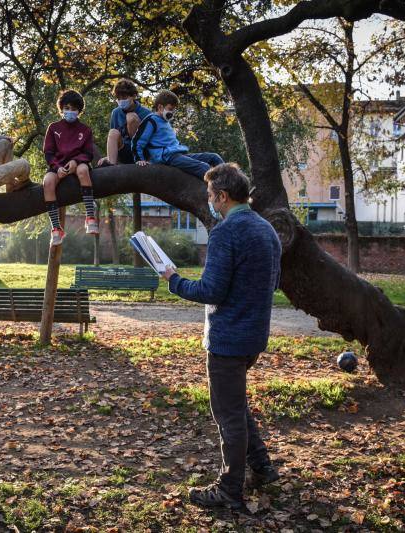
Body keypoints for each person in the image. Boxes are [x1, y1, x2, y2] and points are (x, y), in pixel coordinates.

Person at [162, 164, 282, 510]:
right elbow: (273, 282)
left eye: (211, 195)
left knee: (227, 414)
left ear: (223, 197)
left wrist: (173, 279)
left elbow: (211, 289)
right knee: (236, 404)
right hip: (254, 336)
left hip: (228, 338)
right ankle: (262, 465)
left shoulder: (226, 232)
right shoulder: (267, 230)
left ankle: (229, 488)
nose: (209, 200)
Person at [42, 89, 98, 246]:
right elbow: (48, 152)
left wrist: (75, 162)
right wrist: (56, 166)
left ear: (79, 111)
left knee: (83, 170)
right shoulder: (53, 128)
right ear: (61, 109)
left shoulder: (85, 130)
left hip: (78, 163)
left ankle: (90, 216)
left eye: (74, 109)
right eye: (67, 108)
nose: (70, 111)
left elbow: (88, 153)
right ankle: (56, 229)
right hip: (58, 166)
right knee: (47, 183)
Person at [131, 90, 224, 179]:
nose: (172, 113)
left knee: (214, 157)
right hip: (167, 157)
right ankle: (222, 187)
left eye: (173, 110)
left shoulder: (165, 121)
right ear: (160, 107)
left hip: (177, 154)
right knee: (203, 167)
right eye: (170, 109)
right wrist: (139, 159)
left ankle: (230, 177)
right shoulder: (151, 121)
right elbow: (137, 141)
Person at [97, 79, 151, 167]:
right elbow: (114, 138)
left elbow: (154, 140)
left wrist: (151, 159)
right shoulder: (116, 112)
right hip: (124, 150)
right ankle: (111, 162)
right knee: (113, 132)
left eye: (124, 97)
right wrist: (109, 156)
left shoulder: (147, 114)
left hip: (142, 150)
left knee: (131, 117)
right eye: (118, 98)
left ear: (133, 96)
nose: (121, 101)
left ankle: (139, 156)